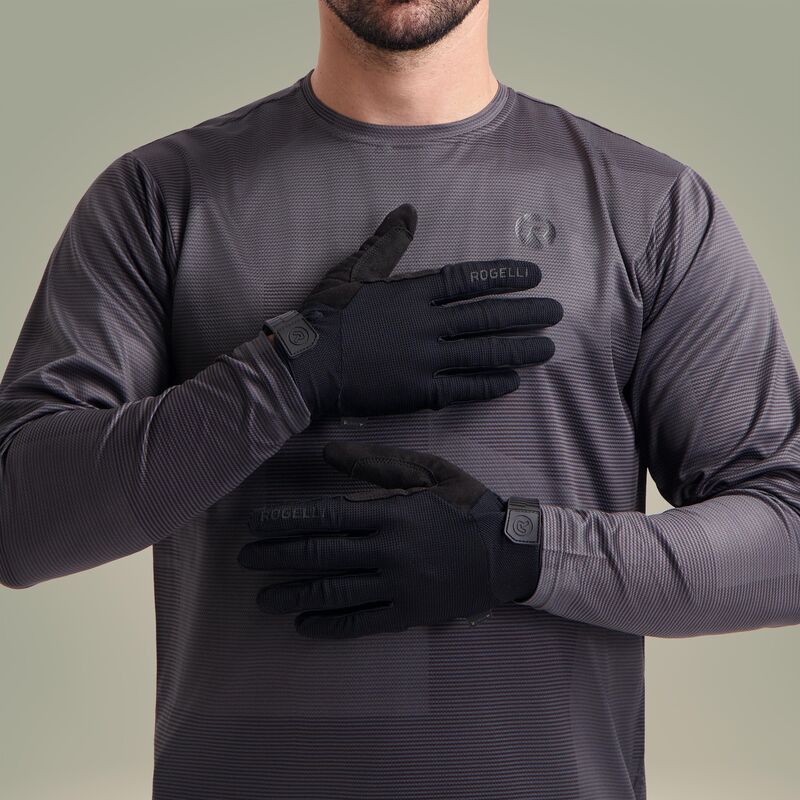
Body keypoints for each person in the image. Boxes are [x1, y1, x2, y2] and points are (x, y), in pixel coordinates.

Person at [1, 1, 798, 797]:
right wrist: (287, 374)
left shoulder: (650, 208)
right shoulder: (159, 199)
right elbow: (18, 520)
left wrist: (523, 553)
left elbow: (786, 536)